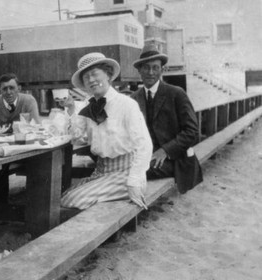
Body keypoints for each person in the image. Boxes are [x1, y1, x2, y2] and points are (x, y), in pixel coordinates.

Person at [60, 52, 152, 210]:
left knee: (72, 200)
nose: (91, 80)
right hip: (102, 171)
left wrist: (134, 181)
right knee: (64, 195)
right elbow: (75, 136)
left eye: (95, 74)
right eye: (86, 77)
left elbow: (145, 145)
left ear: (108, 75)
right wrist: (70, 110)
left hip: (126, 174)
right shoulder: (88, 107)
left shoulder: (126, 104)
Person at [131, 44, 203, 194]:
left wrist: (165, 151)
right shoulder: (134, 98)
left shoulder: (176, 94)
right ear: (139, 71)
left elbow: (192, 131)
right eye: (146, 67)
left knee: (131, 173)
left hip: (176, 160)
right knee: (124, 169)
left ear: (162, 70)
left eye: (155, 68)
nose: (151, 72)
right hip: (147, 158)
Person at [0, 73, 41, 204]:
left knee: (39, 160)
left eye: (12, 88)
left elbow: (37, 128)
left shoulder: (28, 100)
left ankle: (35, 203)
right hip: (6, 145)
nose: (8, 92)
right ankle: (0, 205)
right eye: (4, 89)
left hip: (25, 143)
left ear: (19, 88)